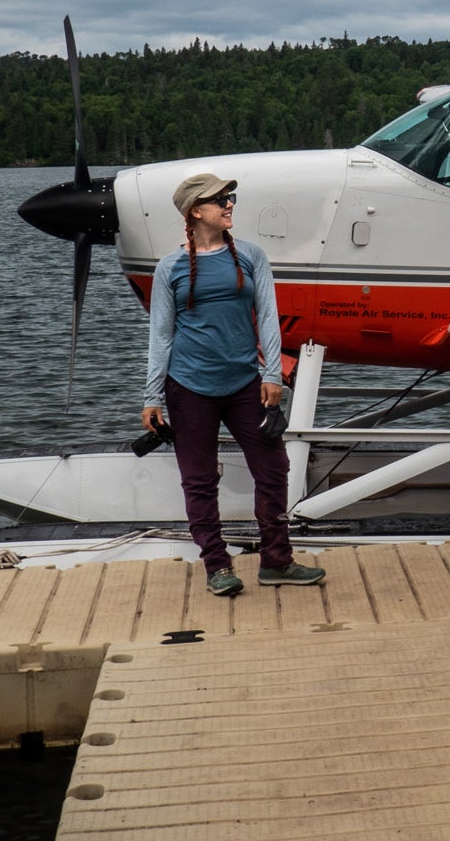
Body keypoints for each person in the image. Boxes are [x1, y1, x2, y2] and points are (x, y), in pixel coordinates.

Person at [143, 171, 326, 596]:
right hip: (188, 388)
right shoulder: (169, 268)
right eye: (219, 199)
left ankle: (277, 561)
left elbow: (267, 316)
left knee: (274, 468)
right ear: (195, 212)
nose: (229, 204)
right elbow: (161, 335)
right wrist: (152, 395)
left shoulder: (250, 256)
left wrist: (271, 375)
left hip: (246, 384)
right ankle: (217, 566)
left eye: (230, 197)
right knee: (200, 480)